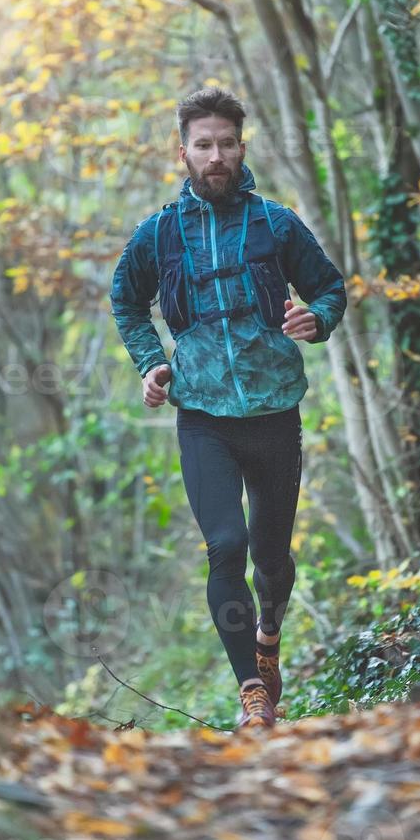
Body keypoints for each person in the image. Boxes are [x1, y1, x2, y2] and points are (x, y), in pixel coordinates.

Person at [110, 87, 346, 730]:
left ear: (242, 148)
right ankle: (252, 694)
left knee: (271, 558)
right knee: (226, 546)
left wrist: (316, 317)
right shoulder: (158, 233)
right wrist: (151, 363)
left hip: (274, 412)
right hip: (202, 415)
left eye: (226, 144)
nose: (215, 156)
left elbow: (329, 287)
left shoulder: (276, 222)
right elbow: (127, 302)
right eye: (203, 145)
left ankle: (268, 635)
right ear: (182, 151)